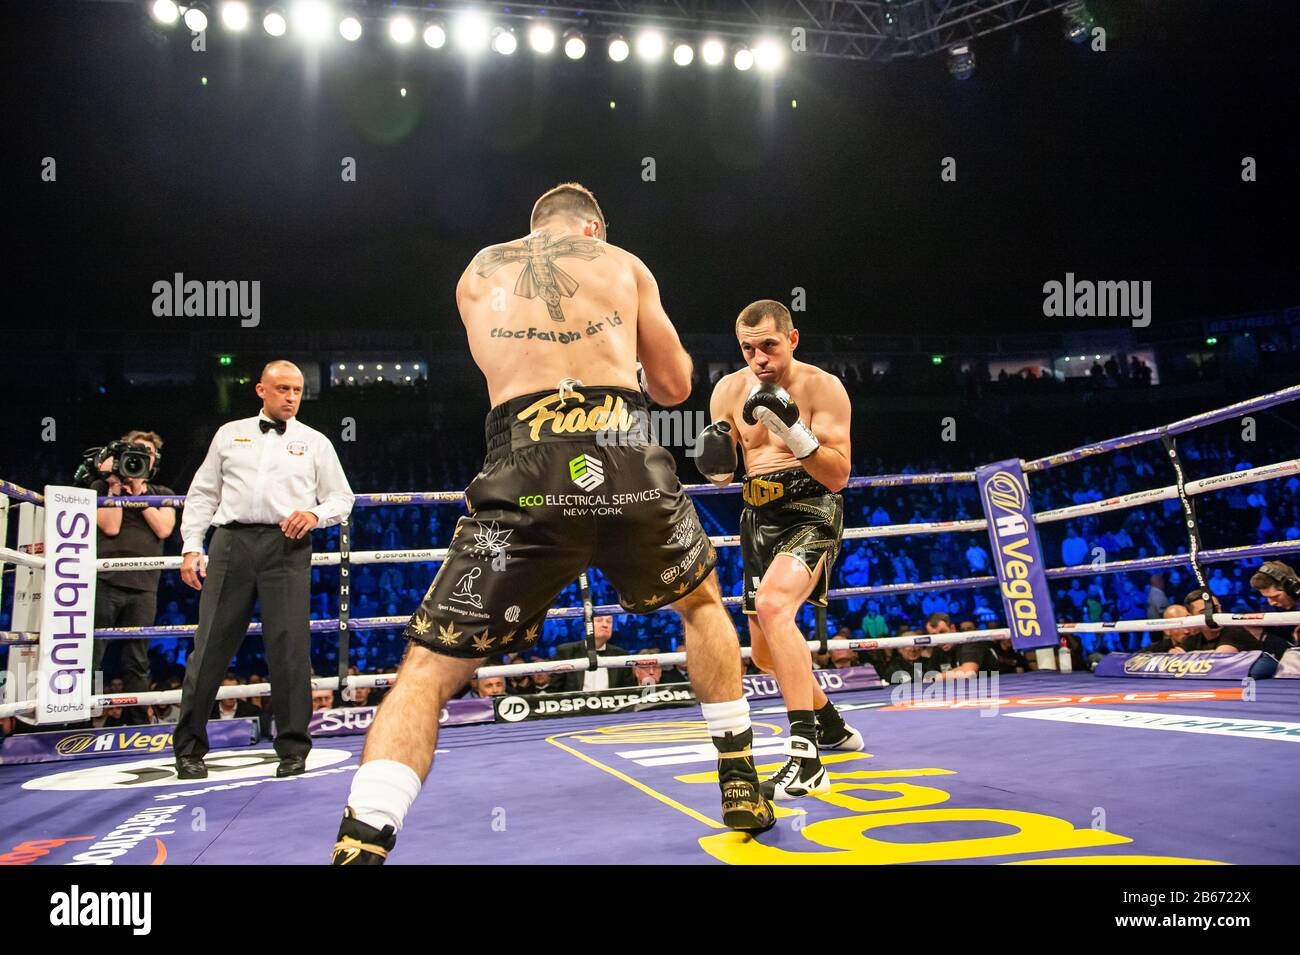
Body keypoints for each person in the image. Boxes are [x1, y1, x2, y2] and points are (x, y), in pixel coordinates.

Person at [332, 183, 775, 864]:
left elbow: (497, 361)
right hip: (626, 456)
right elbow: (677, 385)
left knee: (426, 668)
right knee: (700, 601)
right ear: (593, 226)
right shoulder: (623, 263)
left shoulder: (479, 270)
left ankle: (364, 839)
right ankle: (740, 775)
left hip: (525, 469)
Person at [695, 298, 861, 802]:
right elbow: (721, 473)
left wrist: (793, 430)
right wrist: (711, 458)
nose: (758, 358)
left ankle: (806, 756)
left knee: (773, 606)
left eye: (768, 344)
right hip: (757, 517)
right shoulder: (727, 390)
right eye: (748, 349)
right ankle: (831, 726)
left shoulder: (822, 387)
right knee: (766, 653)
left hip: (811, 509)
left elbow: (838, 475)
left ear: (791, 339)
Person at [172, 360, 355, 781]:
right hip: (231, 544)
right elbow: (202, 494)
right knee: (210, 646)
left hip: (287, 546)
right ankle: (188, 750)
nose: (292, 397)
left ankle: (292, 749)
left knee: (289, 649)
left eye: (297, 390)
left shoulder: (315, 442)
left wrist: (313, 514)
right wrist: (190, 547)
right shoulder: (228, 434)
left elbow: (341, 499)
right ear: (261, 390)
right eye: (283, 389)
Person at [90, 431, 177, 726]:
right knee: (93, 652)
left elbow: (164, 529)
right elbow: (111, 527)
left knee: (137, 659)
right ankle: (84, 721)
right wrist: (115, 487)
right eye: (136, 451)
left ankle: (138, 723)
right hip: (106, 580)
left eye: (147, 452)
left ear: (154, 460)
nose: (141, 456)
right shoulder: (102, 487)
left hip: (143, 586)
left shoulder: (162, 492)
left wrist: (139, 494)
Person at [550, 615, 636, 692]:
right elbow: (555, 690)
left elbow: (628, 692)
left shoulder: (621, 655)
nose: (605, 625)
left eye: (609, 621)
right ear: (587, 625)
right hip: (575, 707)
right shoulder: (566, 652)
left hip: (612, 708)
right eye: (599, 620)